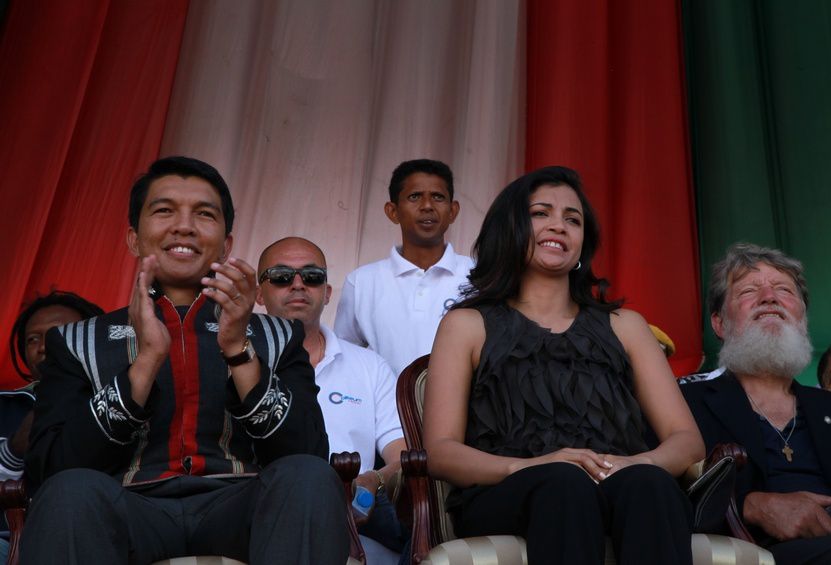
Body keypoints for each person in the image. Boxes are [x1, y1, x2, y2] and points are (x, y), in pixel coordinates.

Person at [20, 157, 348, 565]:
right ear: (134, 238)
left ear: (227, 244)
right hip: (128, 511)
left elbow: (307, 452)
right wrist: (145, 363)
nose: (184, 226)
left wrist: (238, 350)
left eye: (204, 214)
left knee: (309, 479)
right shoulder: (77, 341)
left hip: (240, 507)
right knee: (69, 494)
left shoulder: (277, 336)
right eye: (164, 211)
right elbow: (49, 471)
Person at [423, 166, 704, 564]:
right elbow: (441, 453)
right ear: (511, 227)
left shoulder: (626, 326)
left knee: (650, 484)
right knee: (564, 483)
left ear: (583, 242)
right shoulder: (466, 325)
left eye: (573, 219)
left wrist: (634, 463)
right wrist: (530, 466)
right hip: (510, 491)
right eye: (541, 213)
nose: (559, 225)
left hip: (618, 485)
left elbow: (687, 440)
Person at [682, 243, 831, 564]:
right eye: (748, 291)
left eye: (784, 290)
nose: (769, 297)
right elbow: (651, 496)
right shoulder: (684, 401)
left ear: (802, 317)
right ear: (718, 323)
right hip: (766, 550)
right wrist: (752, 504)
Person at [256, 236, 409, 564]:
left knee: (430, 512)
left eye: (311, 277)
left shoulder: (369, 365)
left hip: (358, 508)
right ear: (258, 292)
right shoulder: (239, 361)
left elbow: (402, 457)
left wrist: (374, 479)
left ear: (327, 292)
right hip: (270, 504)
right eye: (282, 276)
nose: (298, 285)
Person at [334, 159, 474, 375]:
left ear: (453, 211)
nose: (427, 205)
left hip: (464, 408)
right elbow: (347, 358)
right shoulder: (362, 282)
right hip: (384, 408)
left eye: (438, 197)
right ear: (393, 211)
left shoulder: (479, 275)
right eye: (414, 196)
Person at [1, 290, 103, 564]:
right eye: (33, 339)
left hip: (103, 533)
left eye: (60, 333)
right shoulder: (4, 407)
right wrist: (12, 451)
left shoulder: (129, 399)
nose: (44, 346)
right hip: (10, 540)